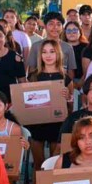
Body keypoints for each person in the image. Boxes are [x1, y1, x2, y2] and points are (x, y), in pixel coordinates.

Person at [26, 39, 73, 171]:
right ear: (40, 55)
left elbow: (70, 108)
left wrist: (68, 97)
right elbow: (26, 103)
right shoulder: (33, 77)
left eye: (52, 52)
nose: (48, 55)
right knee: (38, 165)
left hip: (57, 125)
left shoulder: (65, 78)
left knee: (54, 164)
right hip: (37, 125)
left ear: (58, 54)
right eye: (44, 52)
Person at [26, 12, 77, 81]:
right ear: (45, 26)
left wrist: (67, 87)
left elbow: (70, 72)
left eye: (58, 24)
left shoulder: (68, 47)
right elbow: (31, 70)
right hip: (41, 86)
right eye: (51, 24)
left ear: (62, 27)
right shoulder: (36, 46)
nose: (55, 27)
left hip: (61, 87)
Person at [62, 20, 87, 87]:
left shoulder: (87, 47)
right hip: (65, 82)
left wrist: (80, 84)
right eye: (69, 31)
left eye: (75, 30)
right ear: (65, 33)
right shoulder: (60, 47)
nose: (71, 33)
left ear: (80, 32)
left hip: (85, 81)